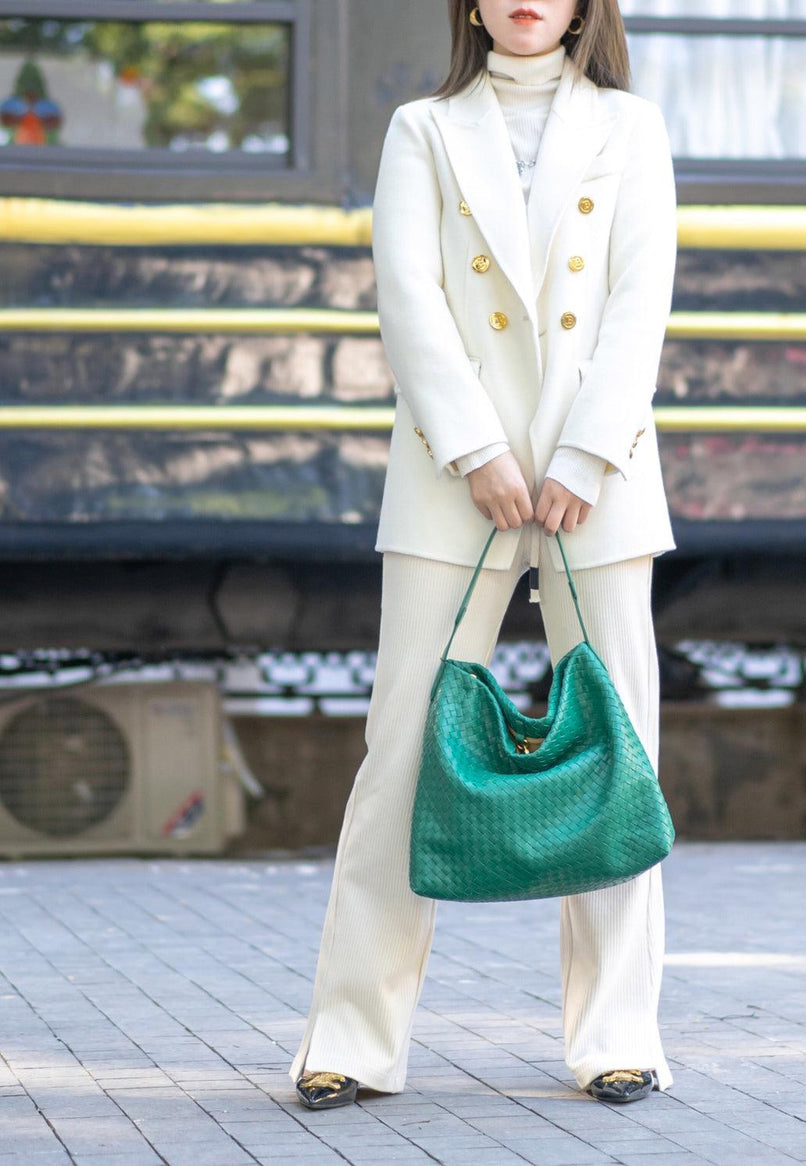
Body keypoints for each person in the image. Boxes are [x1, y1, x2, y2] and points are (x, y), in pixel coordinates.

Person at [290, 0, 678, 1109]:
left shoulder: (631, 128)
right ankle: (350, 1038)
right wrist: (473, 448)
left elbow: (635, 301)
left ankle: (620, 1034)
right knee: (399, 752)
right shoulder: (422, 127)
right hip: (452, 476)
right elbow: (407, 297)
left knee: (617, 747)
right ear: (468, 4)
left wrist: (588, 452)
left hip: (592, 479)